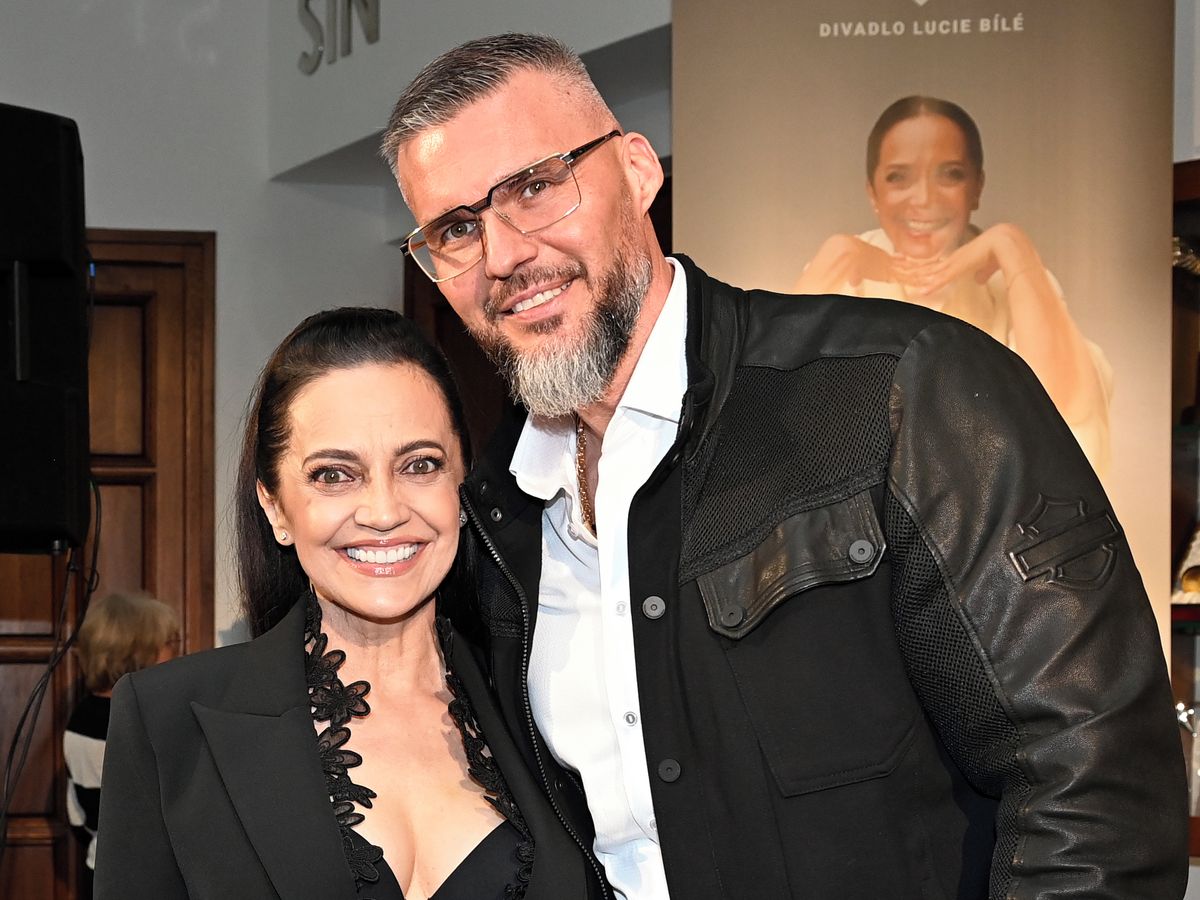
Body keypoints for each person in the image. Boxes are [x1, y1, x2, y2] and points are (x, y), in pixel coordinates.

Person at [380, 33, 1188, 899]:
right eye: (457, 229)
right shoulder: (495, 515)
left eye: (536, 187)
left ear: (639, 171)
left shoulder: (900, 391)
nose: (503, 255)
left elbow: (1095, 782)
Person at [95, 308, 606, 899]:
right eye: (335, 475)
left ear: (462, 483)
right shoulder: (165, 722)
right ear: (275, 506)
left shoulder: (550, 702)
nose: (384, 512)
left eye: (420, 465)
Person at [794, 95, 1113, 476]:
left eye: (950, 174)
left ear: (977, 187)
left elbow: (1069, 418)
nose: (923, 199)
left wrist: (1013, 245)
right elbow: (770, 408)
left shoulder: (1012, 274)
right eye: (898, 177)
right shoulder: (843, 269)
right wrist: (836, 254)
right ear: (872, 192)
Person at [65, 590, 179, 875]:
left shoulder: (80, 717)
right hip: (144, 872)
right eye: (169, 643)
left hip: (101, 863)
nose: (178, 653)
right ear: (138, 653)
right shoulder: (140, 718)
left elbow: (76, 811)